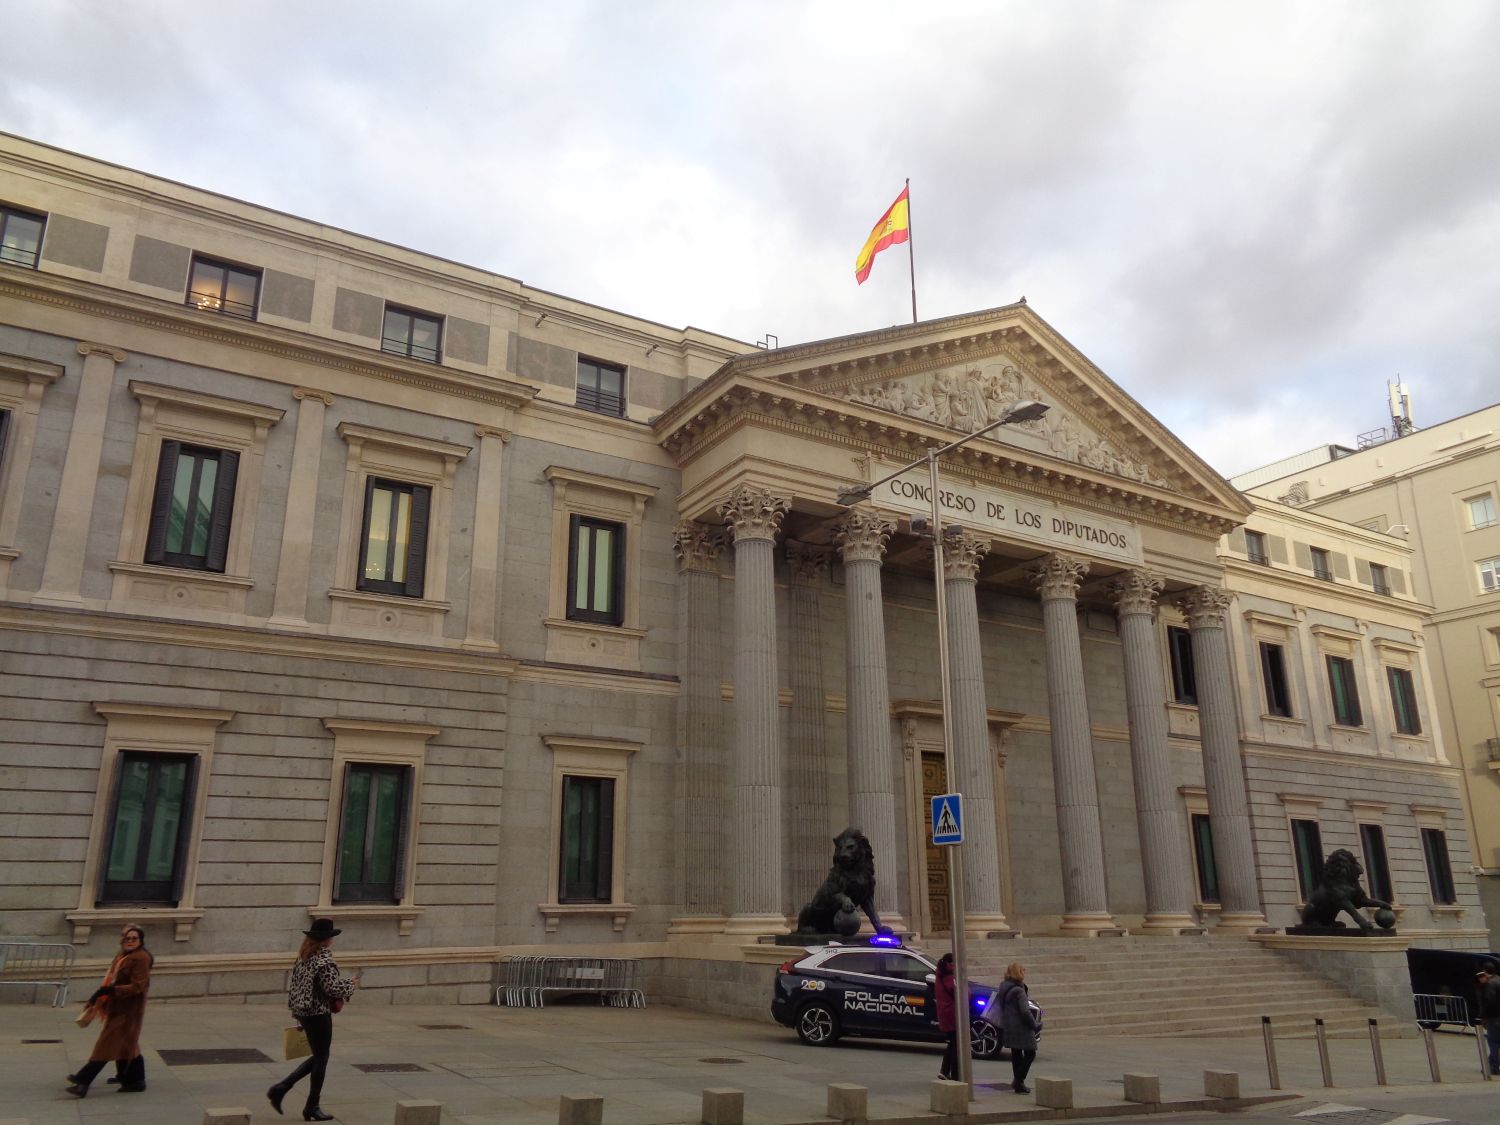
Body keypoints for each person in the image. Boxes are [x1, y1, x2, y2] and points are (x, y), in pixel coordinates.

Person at [267, 918, 362, 1121]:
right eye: (331, 937)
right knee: (322, 1057)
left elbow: (296, 987)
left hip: (304, 1011)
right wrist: (351, 984)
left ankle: (283, 1089)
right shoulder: (324, 961)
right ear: (326, 939)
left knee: (320, 1055)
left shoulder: (303, 957)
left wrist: (297, 1012)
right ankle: (309, 1104)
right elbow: (333, 989)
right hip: (318, 1013)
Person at [65, 924, 153, 1097]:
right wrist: (100, 997)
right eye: (126, 938)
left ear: (141, 941)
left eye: (134, 938)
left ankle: (83, 1081)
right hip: (117, 1006)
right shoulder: (123, 956)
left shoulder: (141, 958)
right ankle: (134, 1081)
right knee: (127, 1044)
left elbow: (138, 986)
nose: (129, 941)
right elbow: (111, 978)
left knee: (106, 1045)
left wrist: (112, 991)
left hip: (129, 1010)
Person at [995, 962, 1040, 1095]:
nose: (1024, 973)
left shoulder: (1004, 986)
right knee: (1030, 1053)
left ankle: (1018, 1083)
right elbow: (1025, 1011)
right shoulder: (1019, 990)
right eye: (1022, 971)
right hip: (1021, 1026)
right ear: (1018, 973)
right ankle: (1018, 1080)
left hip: (1009, 1024)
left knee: (1016, 1053)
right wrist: (1034, 1024)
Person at [934, 952, 959, 1081]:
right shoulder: (949, 976)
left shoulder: (940, 974)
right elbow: (960, 992)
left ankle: (944, 1070)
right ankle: (954, 1074)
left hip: (945, 1013)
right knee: (956, 1044)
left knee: (952, 1043)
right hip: (952, 1014)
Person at [1476, 961, 1500, 1075]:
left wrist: (1483, 1016)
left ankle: (1494, 1067)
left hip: (1495, 1017)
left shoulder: (1489, 984)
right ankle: (1491, 1064)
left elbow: (1489, 1002)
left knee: (1493, 1042)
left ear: (1485, 971)